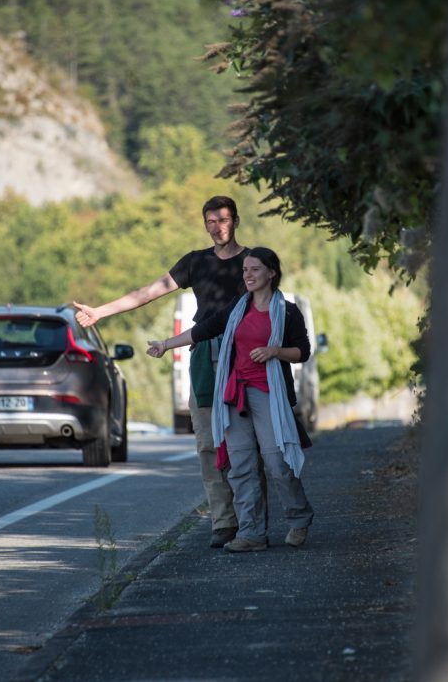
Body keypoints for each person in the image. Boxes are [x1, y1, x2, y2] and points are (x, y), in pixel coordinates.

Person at [73, 195, 247, 548]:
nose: (217, 227)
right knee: (208, 445)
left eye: (223, 220)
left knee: (248, 442)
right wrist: (101, 312)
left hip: (243, 356)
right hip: (204, 355)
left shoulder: (252, 262)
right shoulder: (195, 263)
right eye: (211, 221)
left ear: (236, 221)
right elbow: (149, 292)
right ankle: (224, 522)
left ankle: (252, 519)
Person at [147, 247, 314, 552]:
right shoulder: (238, 307)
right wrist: (165, 344)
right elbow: (203, 330)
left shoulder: (287, 311)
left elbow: (303, 351)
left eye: (255, 269)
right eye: (245, 270)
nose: (248, 275)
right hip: (235, 394)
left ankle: (299, 517)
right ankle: (252, 533)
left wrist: (275, 351)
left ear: (271, 273)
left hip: (269, 394)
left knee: (277, 462)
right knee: (241, 465)